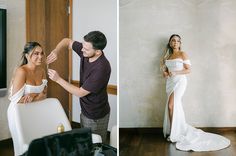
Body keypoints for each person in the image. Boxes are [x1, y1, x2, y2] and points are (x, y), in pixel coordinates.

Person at [160, 34, 230, 151]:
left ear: (180, 43)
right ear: (170, 42)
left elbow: (188, 70)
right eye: (173, 40)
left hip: (180, 82)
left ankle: (174, 132)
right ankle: (175, 130)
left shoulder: (183, 54)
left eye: (178, 41)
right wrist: (166, 74)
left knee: (171, 105)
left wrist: (176, 73)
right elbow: (166, 72)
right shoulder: (168, 56)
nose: (175, 42)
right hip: (170, 83)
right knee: (172, 107)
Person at [46, 31, 111, 142]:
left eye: (85, 49)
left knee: (95, 146)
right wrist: (56, 51)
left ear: (98, 52)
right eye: (82, 46)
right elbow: (66, 41)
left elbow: (80, 92)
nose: (81, 50)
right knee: (85, 143)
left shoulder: (101, 68)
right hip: (85, 109)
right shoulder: (86, 50)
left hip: (96, 115)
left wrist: (58, 79)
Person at [8, 42, 47, 156]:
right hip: (18, 112)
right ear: (27, 56)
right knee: (23, 146)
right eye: (36, 54)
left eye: (41, 53)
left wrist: (33, 96)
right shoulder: (22, 71)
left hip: (35, 111)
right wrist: (37, 96)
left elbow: (44, 94)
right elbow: (16, 98)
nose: (40, 57)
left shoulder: (42, 71)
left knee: (36, 144)